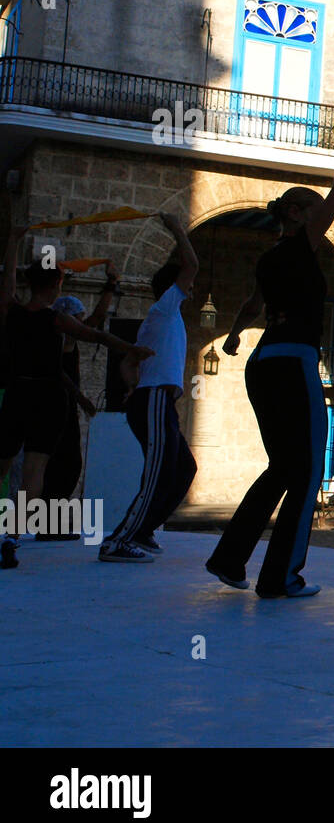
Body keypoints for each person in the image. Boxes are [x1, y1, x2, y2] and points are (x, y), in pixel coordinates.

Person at [207, 125, 334, 596]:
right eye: (313, 207)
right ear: (299, 213)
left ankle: (230, 558)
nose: (321, 215)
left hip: (262, 363)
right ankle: (282, 576)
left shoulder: (269, 258)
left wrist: (236, 336)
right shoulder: (304, 241)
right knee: (304, 472)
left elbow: (251, 305)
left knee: (282, 466)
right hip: (292, 360)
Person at [0, 226, 152, 541]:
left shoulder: (12, 311)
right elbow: (97, 333)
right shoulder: (56, 320)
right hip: (47, 397)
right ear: (57, 284)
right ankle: (12, 537)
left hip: (17, 392)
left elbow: (7, 284)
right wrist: (131, 349)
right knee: (35, 470)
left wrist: (14, 241)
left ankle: (15, 531)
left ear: (29, 282)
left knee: (3, 463)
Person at [100, 214, 200, 563]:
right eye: (185, 284)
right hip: (155, 399)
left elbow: (129, 361)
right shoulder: (165, 307)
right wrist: (176, 229)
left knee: (184, 469)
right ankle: (118, 541)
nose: (191, 286)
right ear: (174, 287)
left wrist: (130, 386)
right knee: (157, 475)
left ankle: (141, 532)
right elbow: (192, 263)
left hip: (157, 400)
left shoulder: (159, 319)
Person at [39, 265, 119, 540]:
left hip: (63, 405)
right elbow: (57, 373)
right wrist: (82, 398)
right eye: (78, 318)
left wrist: (110, 285)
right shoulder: (60, 339)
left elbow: (95, 321)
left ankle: (51, 526)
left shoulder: (68, 334)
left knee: (65, 463)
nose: (82, 323)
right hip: (56, 405)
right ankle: (50, 528)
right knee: (64, 463)